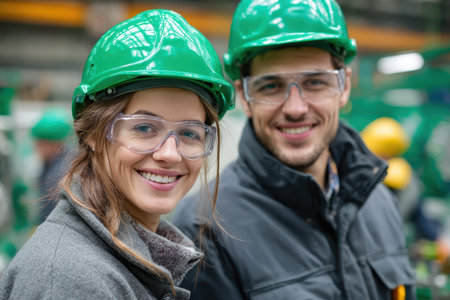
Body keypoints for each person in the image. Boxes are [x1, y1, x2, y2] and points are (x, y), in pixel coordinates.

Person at [173, 1, 416, 299]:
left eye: (315, 82)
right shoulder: (204, 232)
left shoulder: (378, 201)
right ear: (244, 96)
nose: (296, 108)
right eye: (271, 86)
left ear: (344, 86)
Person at [0, 9, 234, 299]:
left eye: (190, 133)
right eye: (145, 128)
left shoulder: (123, 260)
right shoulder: (68, 280)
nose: (170, 154)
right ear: (93, 134)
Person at [31, 108, 73, 223]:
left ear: (53, 144)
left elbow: (48, 218)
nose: (36, 148)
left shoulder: (57, 176)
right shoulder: (66, 159)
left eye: (40, 143)